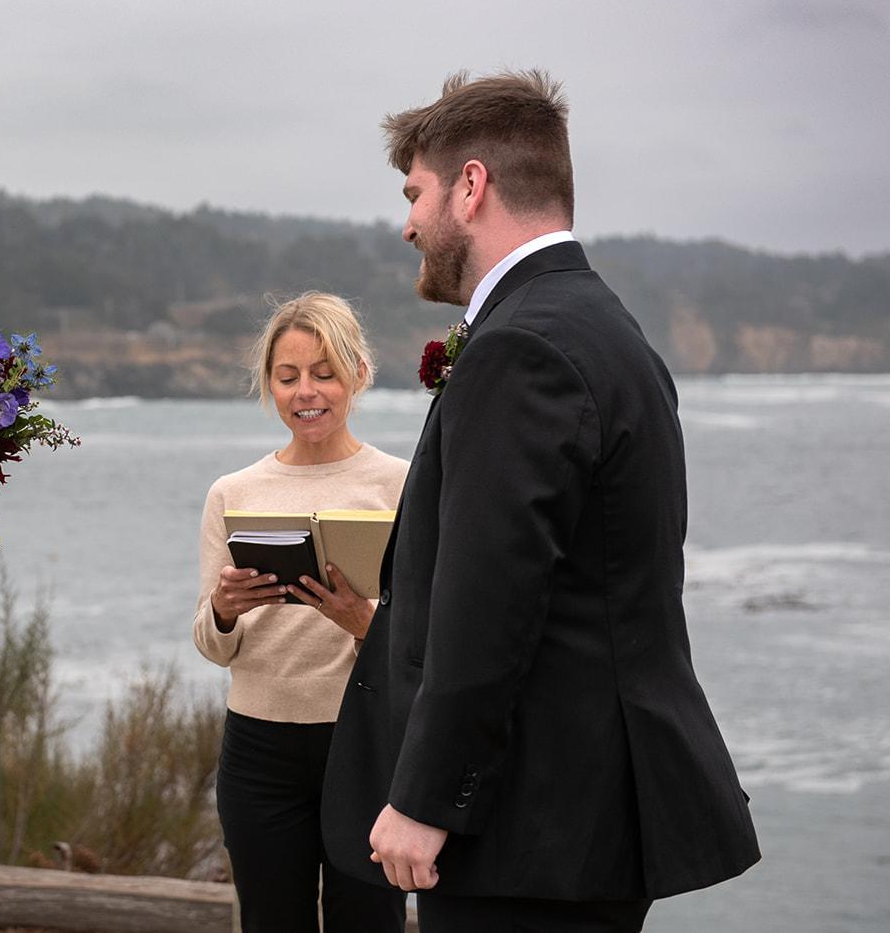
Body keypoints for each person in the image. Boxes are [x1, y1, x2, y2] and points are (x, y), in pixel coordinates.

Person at [321, 71, 760, 931]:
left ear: (471, 186)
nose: (408, 225)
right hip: (586, 816)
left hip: (532, 825)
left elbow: (490, 601)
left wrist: (425, 799)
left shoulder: (522, 349)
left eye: (415, 195)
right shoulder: (606, 328)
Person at [194, 292, 410, 933]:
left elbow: (425, 641)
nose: (305, 392)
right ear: (268, 383)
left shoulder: (402, 485)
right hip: (258, 749)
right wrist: (224, 610)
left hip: (364, 742)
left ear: (359, 374)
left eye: (324, 373)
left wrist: (364, 623)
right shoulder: (232, 493)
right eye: (287, 377)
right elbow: (212, 645)